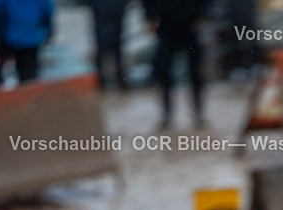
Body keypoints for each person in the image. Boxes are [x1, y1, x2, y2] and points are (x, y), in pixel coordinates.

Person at [143, 0, 205, 128]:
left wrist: (203, 15)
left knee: (196, 71)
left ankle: (198, 116)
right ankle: (167, 116)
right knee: (163, 70)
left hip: (191, 24)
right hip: (165, 25)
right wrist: (150, 17)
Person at [0, 0, 53, 85]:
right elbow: (47, 13)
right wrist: (48, 32)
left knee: (0, 73)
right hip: (31, 40)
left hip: (9, 37)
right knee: (28, 77)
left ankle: (0, 87)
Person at [87, 0, 128, 90]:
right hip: (102, 13)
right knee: (103, 47)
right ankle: (101, 79)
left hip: (114, 13)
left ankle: (119, 77)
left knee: (116, 46)